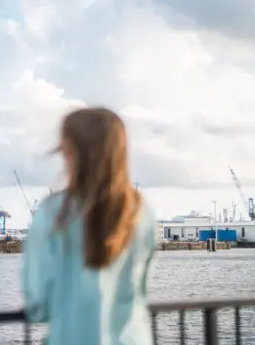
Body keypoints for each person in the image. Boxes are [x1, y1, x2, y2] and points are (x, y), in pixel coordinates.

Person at [22, 107, 156, 345]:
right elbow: (140, 293)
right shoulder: (140, 212)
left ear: (71, 153)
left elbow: (37, 306)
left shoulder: (53, 213)